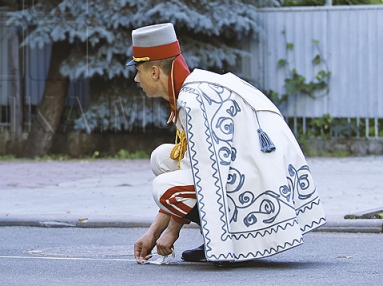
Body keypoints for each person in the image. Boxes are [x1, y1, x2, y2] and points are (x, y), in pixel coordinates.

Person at [129, 23, 326, 265]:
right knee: (162, 157)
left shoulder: (193, 102)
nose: (136, 78)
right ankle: (216, 239)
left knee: (163, 187)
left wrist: (171, 231)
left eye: (138, 71)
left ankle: (227, 244)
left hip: (262, 181)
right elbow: (195, 164)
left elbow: (207, 173)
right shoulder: (192, 88)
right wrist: (152, 233)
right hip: (256, 170)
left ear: (155, 72)